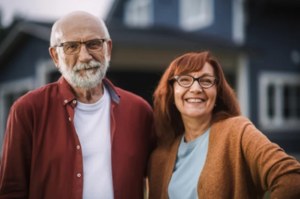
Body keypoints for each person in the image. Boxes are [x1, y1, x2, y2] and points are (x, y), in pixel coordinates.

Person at [0, 11, 155, 199]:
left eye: (94, 44)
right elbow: (11, 190)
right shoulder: (28, 110)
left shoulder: (139, 110)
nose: (85, 57)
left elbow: (158, 174)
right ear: (55, 56)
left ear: (108, 49)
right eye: (71, 47)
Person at [148, 51, 300, 199]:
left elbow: (292, 179)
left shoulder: (237, 132)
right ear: (172, 91)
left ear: (217, 93)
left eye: (206, 81)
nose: (196, 89)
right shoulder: (159, 159)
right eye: (185, 80)